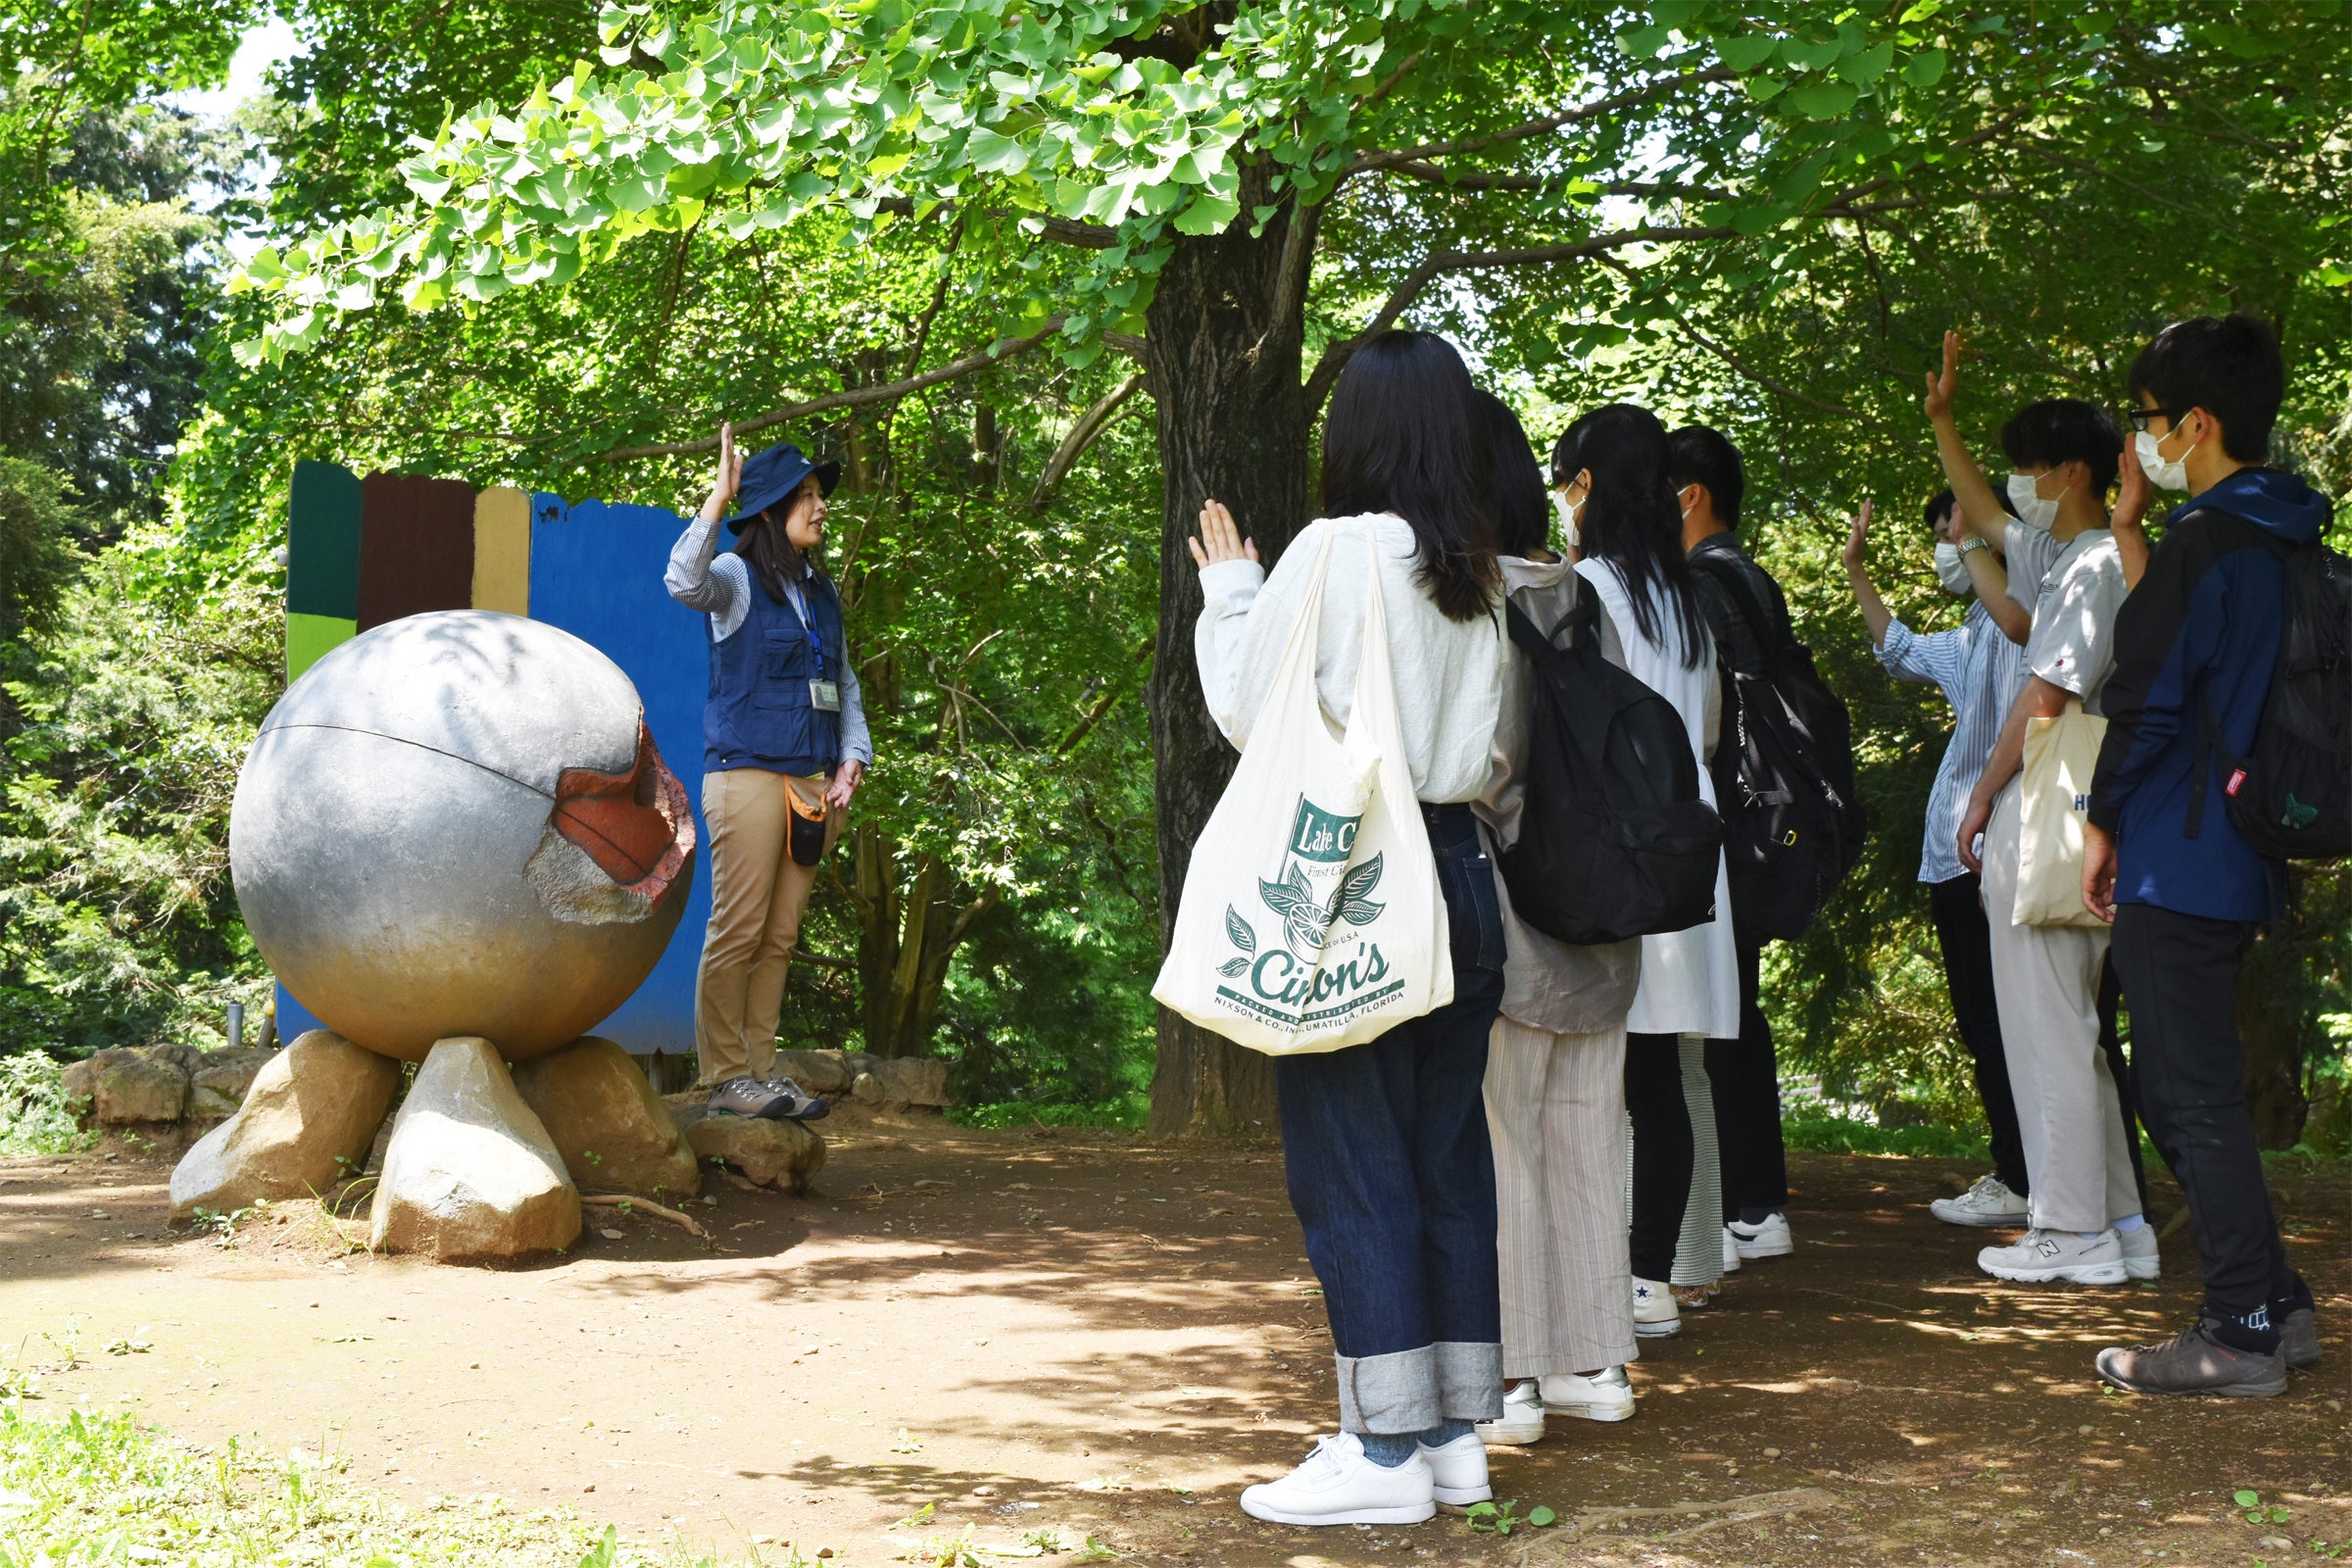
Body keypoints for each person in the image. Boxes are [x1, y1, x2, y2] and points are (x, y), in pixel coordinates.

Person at [1192, 330, 1510, 1527]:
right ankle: (1451, 1438)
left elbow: (1246, 707)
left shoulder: (1331, 552)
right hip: (1463, 874)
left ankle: (1381, 1456)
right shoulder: (1475, 568)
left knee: (1352, 1160)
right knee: (1446, 1161)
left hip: (1362, 881)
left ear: (1358, 432)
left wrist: (1232, 590)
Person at [2085, 316, 2328, 1395]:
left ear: (2196, 422)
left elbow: (2146, 693)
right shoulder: (2284, 535)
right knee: (2192, 1083)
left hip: (2176, 848)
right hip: (2247, 842)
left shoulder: (2205, 544)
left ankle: (2240, 1330)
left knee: (2187, 1093)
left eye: (2145, 419)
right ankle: (2278, 1301)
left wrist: (2100, 821)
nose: (2139, 441)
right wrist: (2136, 530)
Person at [1939, 370, 2156, 1287]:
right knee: (2072, 1025)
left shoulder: (2093, 565)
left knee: (2046, 1027)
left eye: (2029, 467)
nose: (2016, 484)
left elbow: (2047, 693)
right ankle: (2120, 1224)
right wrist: (1942, 418)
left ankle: (2070, 1227)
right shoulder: (2080, 558)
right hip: (2084, 805)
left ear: (2071, 472)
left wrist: (1982, 794)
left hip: (2056, 799)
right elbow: (1989, 519)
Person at [1469, 392, 1642, 1447]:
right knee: (1587, 1137)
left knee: (1507, 1139)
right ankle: (1598, 1362)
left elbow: (1488, 767)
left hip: (1517, 912)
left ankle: (1518, 1375)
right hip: (1608, 915)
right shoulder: (1583, 594)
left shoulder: (1481, 601)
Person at [1552, 405, 1738, 1339]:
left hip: (1618, 840)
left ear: (1587, 484)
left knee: (1607, 1073)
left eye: (1565, 481)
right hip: (1686, 839)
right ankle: (1652, 1277)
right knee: (1665, 1077)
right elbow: (1706, 730)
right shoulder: (1686, 595)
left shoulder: (1587, 586)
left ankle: (1613, 1280)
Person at [666, 424, 869, 1120]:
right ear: (772, 509)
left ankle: (761, 1071)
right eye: (806, 495)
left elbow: (844, 681)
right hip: (746, 776)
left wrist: (853, 755)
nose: (822, 506)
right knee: (740, 928)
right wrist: (718, 499)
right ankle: (727, 1078)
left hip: (813, 785)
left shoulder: (822, 590)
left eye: (819, 494)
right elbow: (680, 580)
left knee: (780, 937)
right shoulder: (734, 576)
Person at [1844, 489, 2033, 1226]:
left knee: (2012, 1024)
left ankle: (2029, 1179)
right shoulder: (1974, 632)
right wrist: (1857, 570)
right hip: (1956, 859)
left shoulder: (2032, 617)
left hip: (2002, 852)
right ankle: (2020, 1172)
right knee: (1983, 1024)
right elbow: (1899, 650)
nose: (1943, 547)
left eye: (1952, 530)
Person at [1669, 423, 1797, 1265]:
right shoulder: (1751, 577)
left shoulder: (1700, 584)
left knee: (1716, 1015)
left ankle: (1744, 1202)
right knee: (1736, 1007)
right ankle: (1756, 1199)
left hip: (1721, 814)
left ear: (1689, 495)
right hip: (1762, 815)